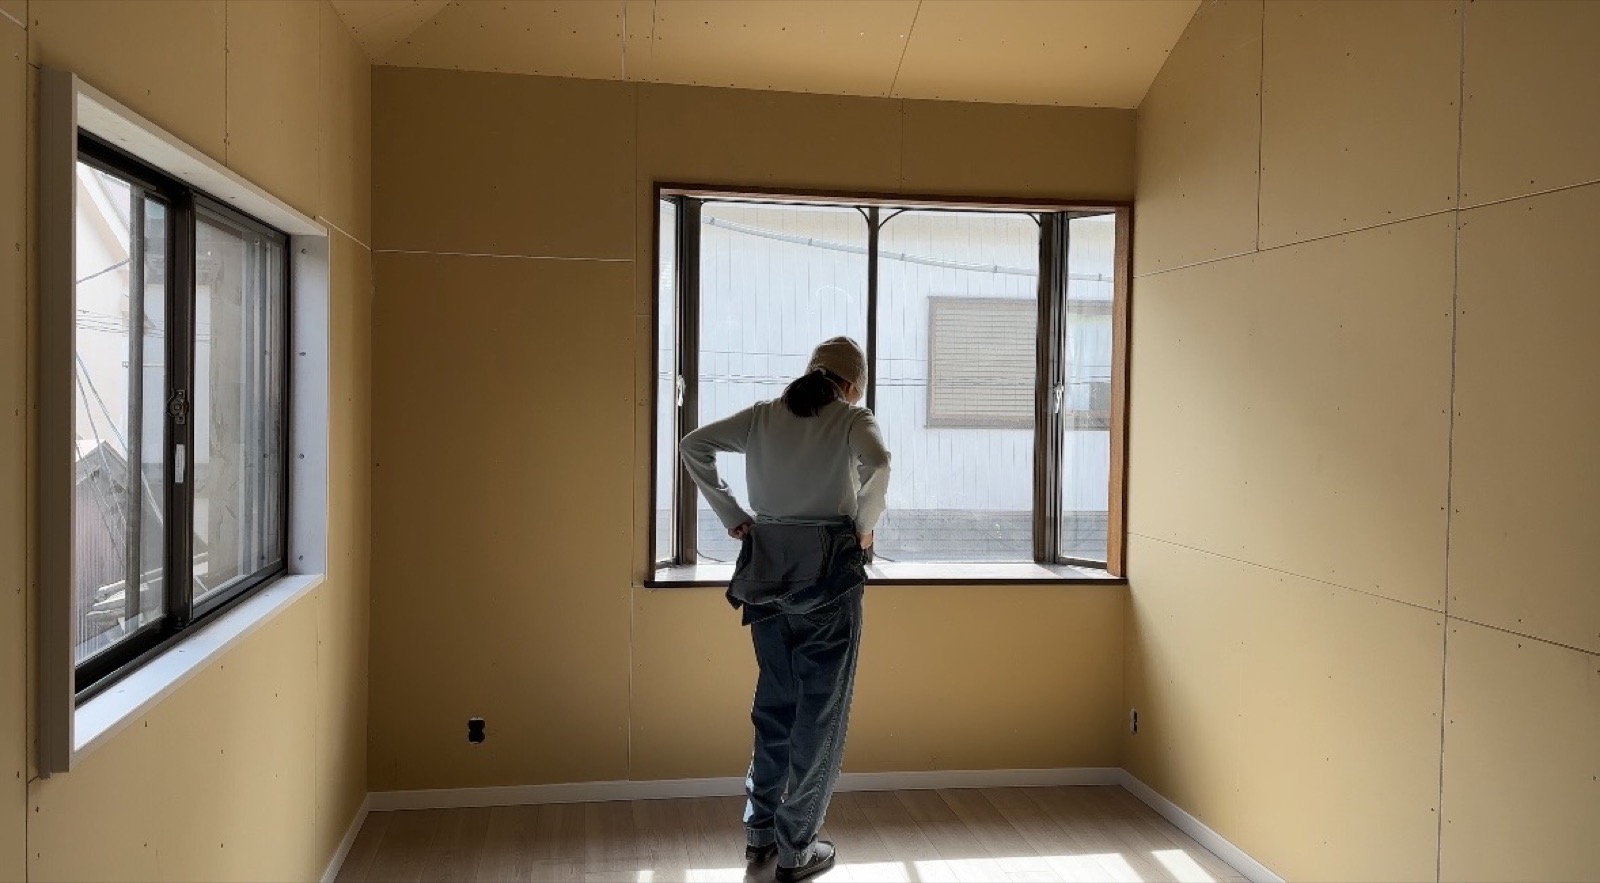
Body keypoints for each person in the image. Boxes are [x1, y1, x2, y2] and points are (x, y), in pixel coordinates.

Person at [679, 336, 891, 882]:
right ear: (850, 384)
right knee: (821, 713)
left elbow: (692, 444)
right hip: (828, 568)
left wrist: (731, 513)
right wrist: (864, 528)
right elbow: (880, 463)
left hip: (767, 562)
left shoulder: (761, 417)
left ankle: (761, 832)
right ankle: (797, 848)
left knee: (775, 702)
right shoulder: (851, 418)